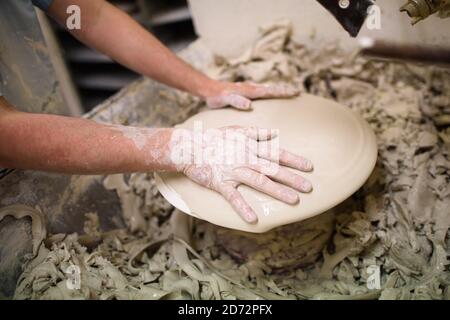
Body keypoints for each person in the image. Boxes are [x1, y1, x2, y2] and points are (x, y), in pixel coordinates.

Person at [0, 0, 313, 224]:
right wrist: (186, 148)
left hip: (40, 116)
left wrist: (207, 86)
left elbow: (88, 15)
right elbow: (5, 134)